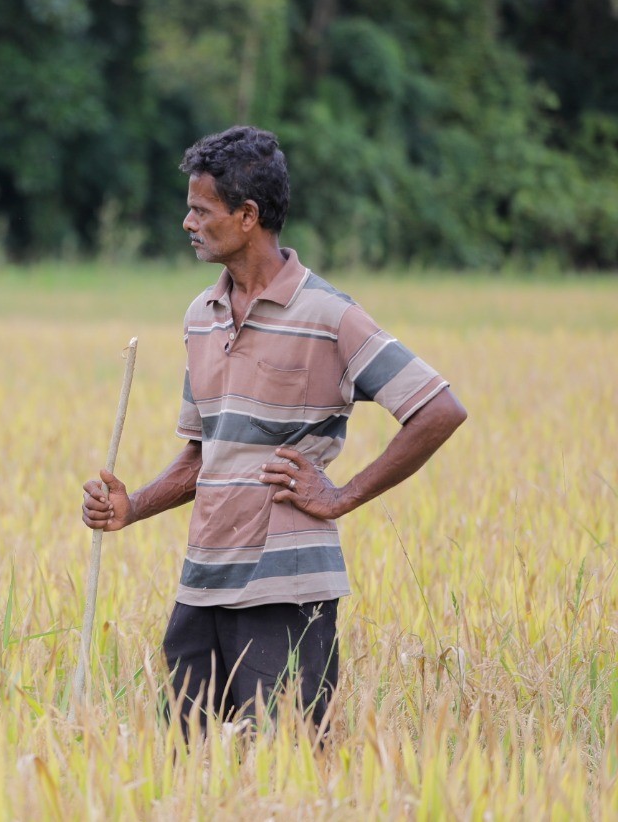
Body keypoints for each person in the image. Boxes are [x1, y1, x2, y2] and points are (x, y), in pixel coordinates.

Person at [81, 126, 467, 736]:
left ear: (247, 216)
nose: (187, 222)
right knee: (187, 761)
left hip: (286, 591)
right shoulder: (200, 316)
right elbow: (201, 457)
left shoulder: (329, 314)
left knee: (283, 765)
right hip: (202, 584)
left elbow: (438, 409)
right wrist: (132, 508)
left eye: (200, 210)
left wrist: (342, 497)